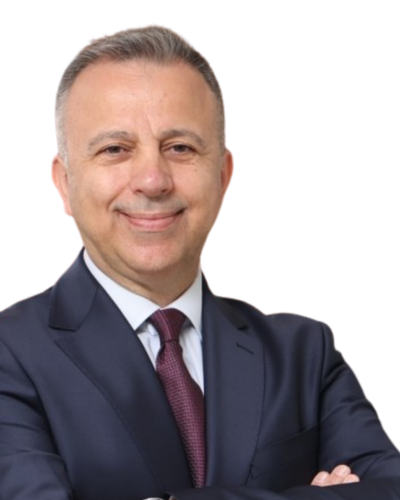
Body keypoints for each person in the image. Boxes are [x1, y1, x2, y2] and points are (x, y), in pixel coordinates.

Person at [0, 26, 399, 500]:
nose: (152, 180)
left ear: (222, 176)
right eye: (115, 149)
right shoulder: (10, 355)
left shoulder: (304, 356)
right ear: (65, 183)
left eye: (180, 148)